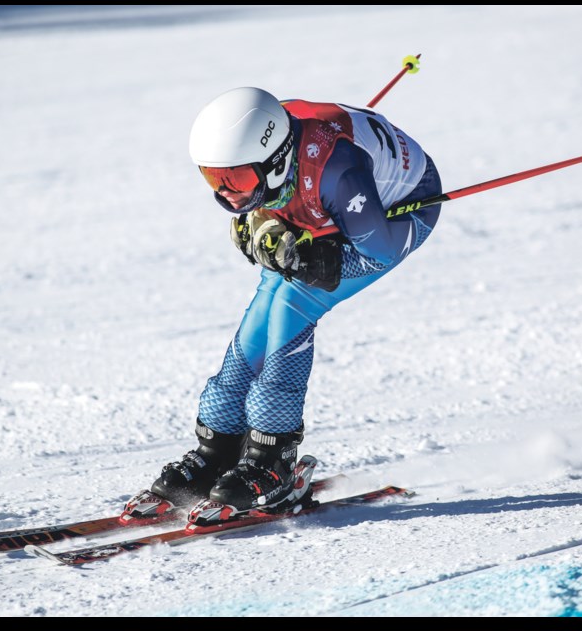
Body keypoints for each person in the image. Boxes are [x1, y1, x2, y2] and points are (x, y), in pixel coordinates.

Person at [150, 87, 442, 514]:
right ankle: (218, 450)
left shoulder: (339, 175)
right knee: (261, 316)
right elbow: (283, 195)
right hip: (319, 203)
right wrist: (262, 216)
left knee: (293, 304)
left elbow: (379, 249)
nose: (227, 193)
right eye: (215, 179)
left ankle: (273, 461)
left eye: (237, 180)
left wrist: (315, 257)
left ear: (273, 162)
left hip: (394, 217)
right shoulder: (268, 140)